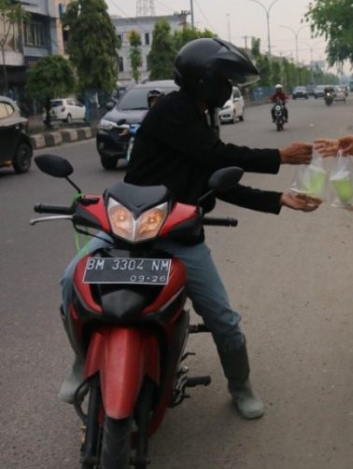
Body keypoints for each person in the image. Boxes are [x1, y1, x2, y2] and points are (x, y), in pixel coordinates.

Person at [60, 38, 319, 419]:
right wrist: (277, 157)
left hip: (179, 234)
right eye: (224, 79)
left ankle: (240, 385)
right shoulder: (172, 111)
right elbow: (215, 156)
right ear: (204, 80)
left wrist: (277, 199)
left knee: (224, 320)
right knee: (70, 281)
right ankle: (82, 362)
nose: (229, 88)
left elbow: (212, 178)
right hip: (128, 226)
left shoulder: (201, 117)